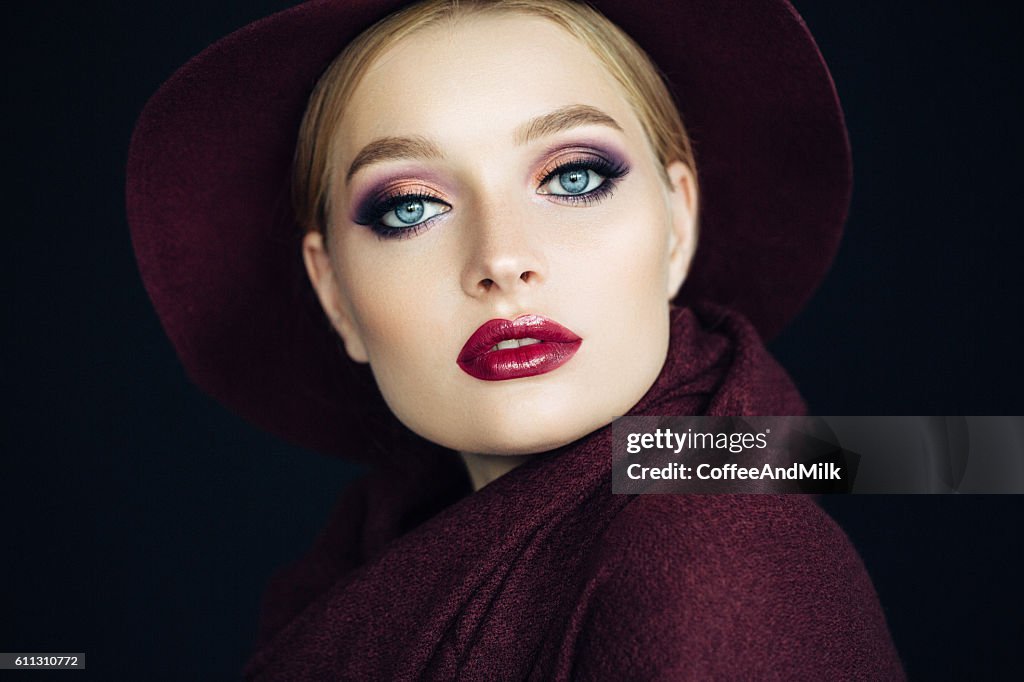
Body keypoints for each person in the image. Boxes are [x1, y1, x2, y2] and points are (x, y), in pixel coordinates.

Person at [127, 0, 905, 678]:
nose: (501, 259)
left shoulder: (711, 564)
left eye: (573, 177)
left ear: (678, 225)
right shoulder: (357, 565)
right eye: (409, 207)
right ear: (334, 292)